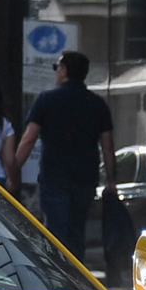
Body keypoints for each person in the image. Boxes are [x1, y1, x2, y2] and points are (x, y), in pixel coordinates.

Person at [13, 50, 114, 273]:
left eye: (57, 67)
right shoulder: (97, 104)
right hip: (86, 178)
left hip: (54, 177)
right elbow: (107, 146)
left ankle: (57, 276)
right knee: (77, 231)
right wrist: (112, 180)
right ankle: (76, 278)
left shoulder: (46, 100)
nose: (56, 72)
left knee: (56, 232)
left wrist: (13, 169)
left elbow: (29, 139)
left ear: (64, 71)